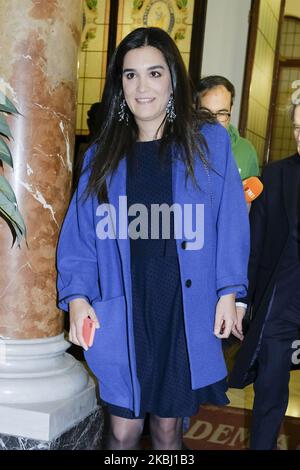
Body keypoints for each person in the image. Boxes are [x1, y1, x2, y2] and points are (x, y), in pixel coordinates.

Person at [56, 27, 249, 450]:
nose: (142, 87)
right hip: (123, 310)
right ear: (119, 84)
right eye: (130, 75)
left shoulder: (208, 144)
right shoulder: (101, 156)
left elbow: (231, 222)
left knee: (166, 430)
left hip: (181, 312)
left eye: (155, 73)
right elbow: (79, 240)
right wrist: (78, 298)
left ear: (173, 80)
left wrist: (229, 292)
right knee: (122, 431)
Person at [229, 103, 300, 450]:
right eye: (298, 128)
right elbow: (254, 247)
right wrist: (243, 301)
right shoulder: (274, 176)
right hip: (281, 305)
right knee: (270, 390)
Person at [196, 75, 260, 181]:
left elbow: (251, 195)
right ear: (196, 109)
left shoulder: (246, 151)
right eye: (206, 113)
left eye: (221, 113)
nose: (214, 121)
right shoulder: (183, 147)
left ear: (231, 110)